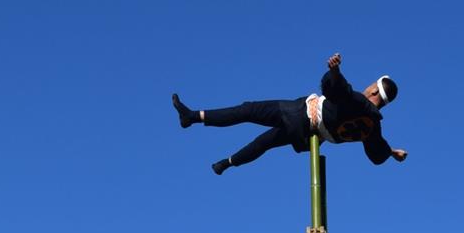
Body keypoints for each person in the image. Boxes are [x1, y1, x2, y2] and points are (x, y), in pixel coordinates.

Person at [172, 53, 407, 175]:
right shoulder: (373, 125)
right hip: (306, 137)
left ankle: (192, 117)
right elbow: (376, 152)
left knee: (247, 110)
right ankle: (225, 164)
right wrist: (391, 152)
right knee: (264, 142)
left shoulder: (357, 100)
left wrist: (335, 71)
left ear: (375, 89)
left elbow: (338, 90)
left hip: (299, 114)